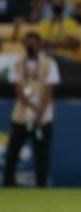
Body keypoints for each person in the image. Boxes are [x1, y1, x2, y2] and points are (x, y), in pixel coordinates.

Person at [2, 33, 59, 188]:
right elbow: (18, 89)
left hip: (43, 116)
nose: (31, 46)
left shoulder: (49, 63)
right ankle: (8, 184)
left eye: (34, 43)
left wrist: (40, 111)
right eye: (28, 43)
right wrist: (31, 107)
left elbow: (49, 89)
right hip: (21, 115)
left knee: (42, 154)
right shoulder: (18, 63)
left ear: (40, 44)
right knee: (13, 152)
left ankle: (41, 185)